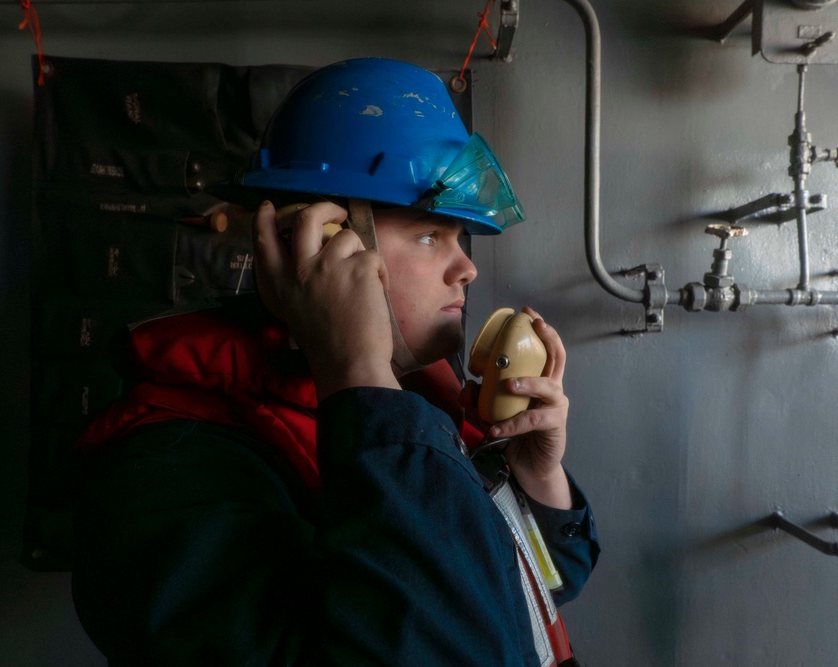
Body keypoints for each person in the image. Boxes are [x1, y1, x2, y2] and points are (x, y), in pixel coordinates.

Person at [72, 58, 599, 666]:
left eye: (462, 238)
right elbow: (449, 645)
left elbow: (538, 591)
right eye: (431, 236)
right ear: (322, 241)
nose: (467, 269)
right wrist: (357, 378)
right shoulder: (165, 475)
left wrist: (537, 478)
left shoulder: (418, 402)